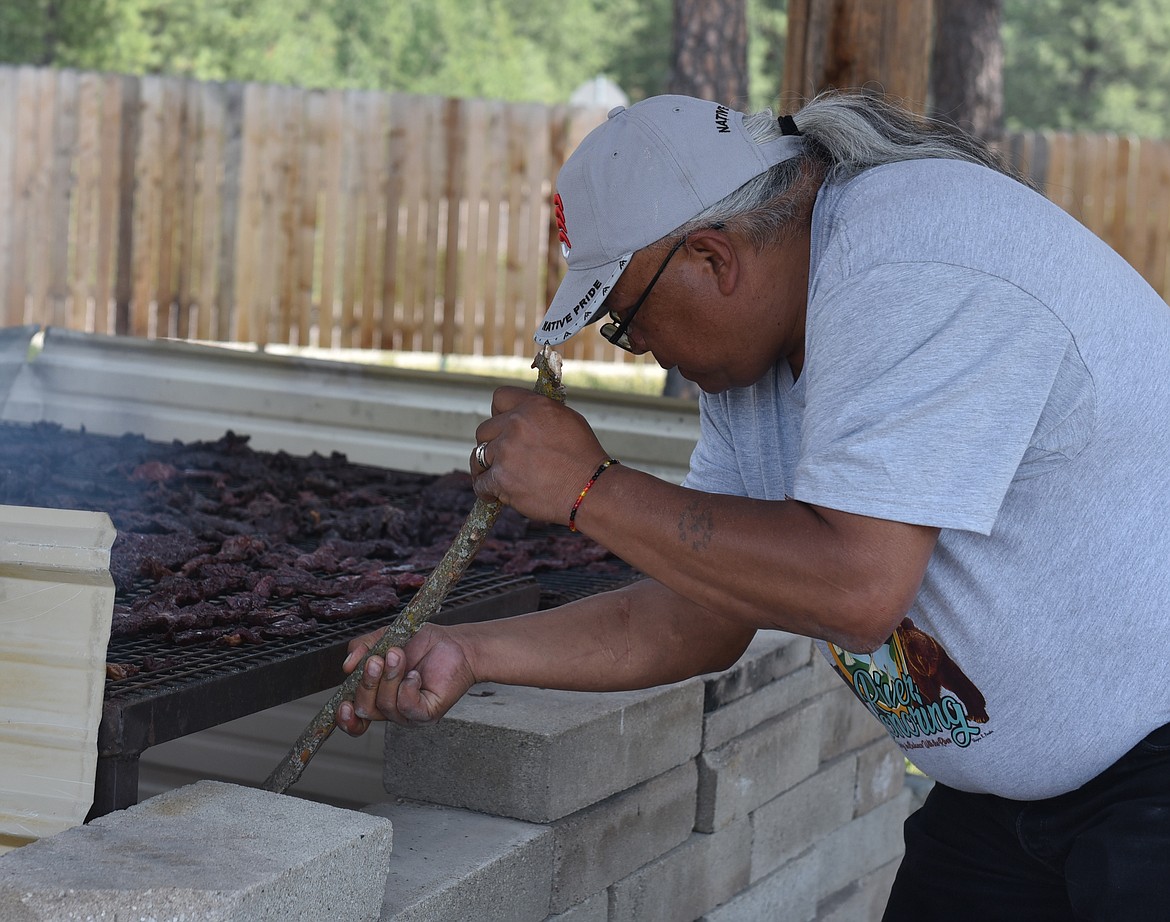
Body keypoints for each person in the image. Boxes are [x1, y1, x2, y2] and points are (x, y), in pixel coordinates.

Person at [336, 92, 1170, 920]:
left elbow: (854, 588)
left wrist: (589, 489)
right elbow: (699, 616)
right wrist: (471, 653)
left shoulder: (911, 262)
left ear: (712, 258)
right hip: (1011, 801)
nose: (642, 349)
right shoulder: (757, 354)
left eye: (626, 323)